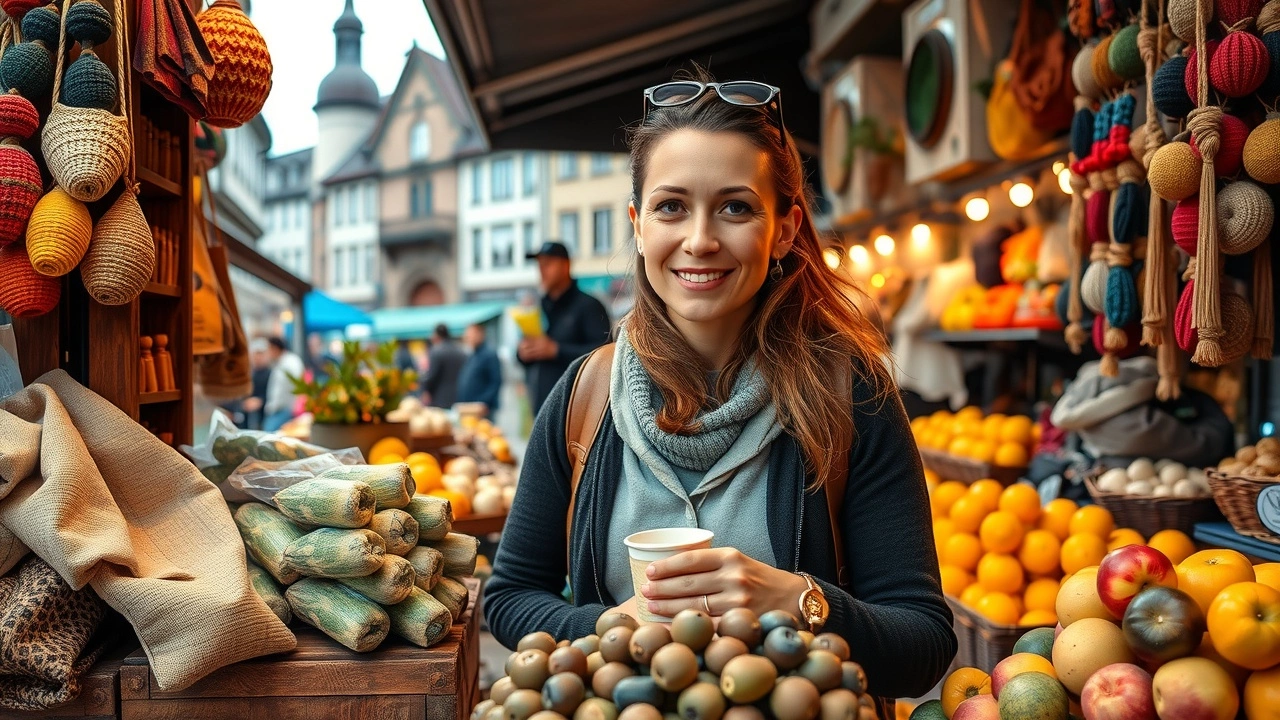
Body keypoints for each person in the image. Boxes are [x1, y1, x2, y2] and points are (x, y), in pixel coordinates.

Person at [484, 71, 956, 702]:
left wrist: (800, 600)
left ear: (784, 230)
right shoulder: (584, 396)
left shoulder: (851, 392)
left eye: (735, 207)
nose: (700, 240)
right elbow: (510, 596)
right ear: (638, 223)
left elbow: (924, 643)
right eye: (671, 206)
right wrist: (610, 629)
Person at [517, 241, 612, 415]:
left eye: (548, 264)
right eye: (539, 265)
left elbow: (605, 355)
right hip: (542, 410)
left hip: (576, 414)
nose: (541, 270)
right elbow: (529, 353)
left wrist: (556, 351)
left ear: (565, 265)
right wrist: (523, 353)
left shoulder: (589, 305)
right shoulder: (540, 306)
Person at [456, 323, 502, 415]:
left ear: (480, 334)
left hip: (482, 410)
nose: (467, 337)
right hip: (469, 409)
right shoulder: (473, 354)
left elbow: (495, 381)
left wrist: (484, 402)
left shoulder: (489, 354)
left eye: (470, 334)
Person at [262, 336, 305, 432]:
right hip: (278, 409)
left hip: (286, 410)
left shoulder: (291, 362)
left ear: (275, 348)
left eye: (269, 349)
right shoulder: (280, 362)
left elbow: (297, 385)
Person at [423, 323, 467, 408]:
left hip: (440, 398)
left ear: (436, 335)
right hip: (459, 396)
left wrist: (426, 390)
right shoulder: (460, 351)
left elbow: (432, 376)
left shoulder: (436, 351)